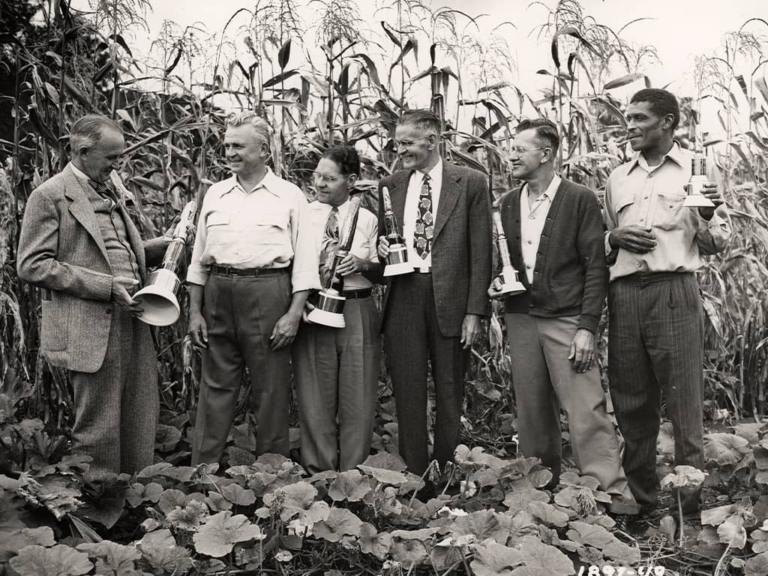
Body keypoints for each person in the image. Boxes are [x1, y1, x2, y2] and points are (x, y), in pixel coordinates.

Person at [489, 118, 638, 514]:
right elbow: (505, 263)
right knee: (532, 413)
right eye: (511, 147)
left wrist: (587, 328)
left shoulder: (579, 199)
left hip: (568, 321)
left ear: (547, 154)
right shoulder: (506, 203)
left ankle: (614, 502)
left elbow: (595, 267)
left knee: (586, 410)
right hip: (521, 319)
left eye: (520, 148)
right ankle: (540, 499)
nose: (511, 154)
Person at [17, 114, 170, 473]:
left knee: (138, 411)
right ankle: (98, 510)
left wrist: (154, 249)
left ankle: (133, 498)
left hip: (132, 318)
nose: (118, 165)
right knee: (98, 424)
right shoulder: (50, 195)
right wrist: (105, 286)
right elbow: (32, 265)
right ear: (84, 152)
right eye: (112, 158)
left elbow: (111, 251)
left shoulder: (112, 189)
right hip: (88, 328)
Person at [604, 88, 730, 516]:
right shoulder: (618, 178)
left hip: (673, 293)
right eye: (629, 117)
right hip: (624, 297)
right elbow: (603, 241)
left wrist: (710, 214)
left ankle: (687, 511)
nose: (630, 125)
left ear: (668, 123)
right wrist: (613, 238)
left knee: (684, 406)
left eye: (640, 118)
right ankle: (642, 505)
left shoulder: (697, 169)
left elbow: (717, 242)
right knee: (631, 402)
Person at [187, 111, 320, 465]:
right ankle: (202, 476)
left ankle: (271, 478)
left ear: (263, 151)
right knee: (214, 389)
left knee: (271, 391)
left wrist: (293, 315)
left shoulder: (289, 197)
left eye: (238, 146)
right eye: (227, 145)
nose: (229, 152)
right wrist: (195, 312)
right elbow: (199, 258)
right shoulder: (215, 194)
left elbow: (306, 264)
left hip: (269, 294)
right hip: (218, 293)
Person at [377, 109, 492, 479]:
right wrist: (381, 251)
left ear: (432, 140)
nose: (401, 151)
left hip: (452, 300)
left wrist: (475, 312)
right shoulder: (390, 185)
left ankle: (446, 473)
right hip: (404, 296)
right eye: (398, 143)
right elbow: (385, 253)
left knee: (449, 391)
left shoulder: (470, 181)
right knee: (408, 393)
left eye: (407, 143)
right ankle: (413, 476)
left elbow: (481, 250)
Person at [292, 145, 382, 473]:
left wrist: (362, 263)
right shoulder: (302, 214)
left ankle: (354, 476)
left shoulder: (369, 219)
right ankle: (320, 473)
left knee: (358, 397)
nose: (320, 184)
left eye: (329, 178)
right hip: (314, 309)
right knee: (315, 396)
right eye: (317, 176)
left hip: (357, 310)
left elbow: (384, 271)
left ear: (351, 180)